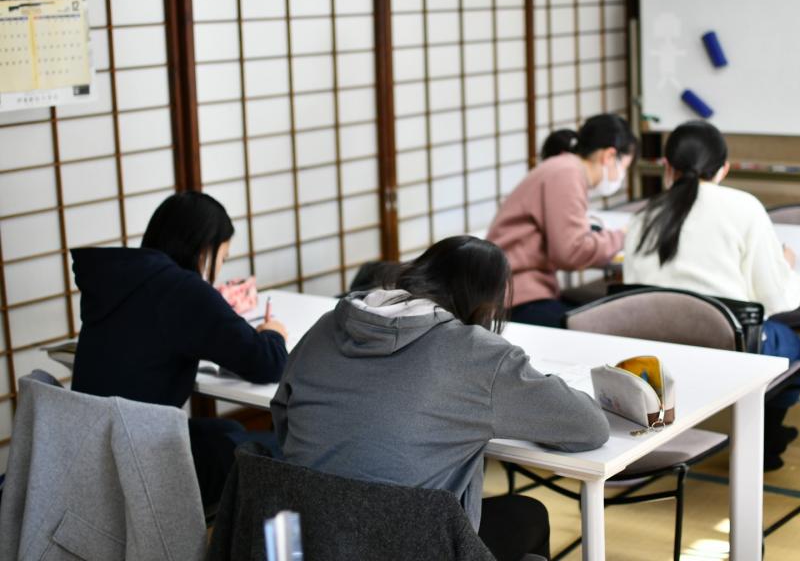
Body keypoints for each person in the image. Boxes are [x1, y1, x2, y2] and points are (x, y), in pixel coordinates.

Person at [271, 235, 609, 561]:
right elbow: (590, 426)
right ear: (488, 304)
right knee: (527, 515)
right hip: (411, 545)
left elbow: (282, 416)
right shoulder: (478, 353)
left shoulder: (326, 326)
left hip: (307, 540)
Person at [71, 191, 289, 507]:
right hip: (141, 465)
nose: (218, 271)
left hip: (93, 455)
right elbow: (267, 363)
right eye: (222, 258)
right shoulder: (182, 291)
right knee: (282, 452)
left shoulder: (120, 281)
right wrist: (273, 333)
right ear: (204, 250)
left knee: (229, 428)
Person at [623, 120, 800, 470]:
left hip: (653, 352)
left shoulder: (645, 215)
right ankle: (764, 445)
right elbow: (777, 298)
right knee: (797, 353)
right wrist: (787, 267)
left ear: (667, 166)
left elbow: (631, 291)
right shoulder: (745, 208)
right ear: (724, 168)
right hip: (730, 349)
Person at [488, 114, 637, 328]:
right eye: (624, 167)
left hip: (515, 290)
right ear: (609, 155)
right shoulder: (567, 173)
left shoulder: (564, 168)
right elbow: (571, 252)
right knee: (611, 326)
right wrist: (623, 236)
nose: (621, 175)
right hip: (518, 297)